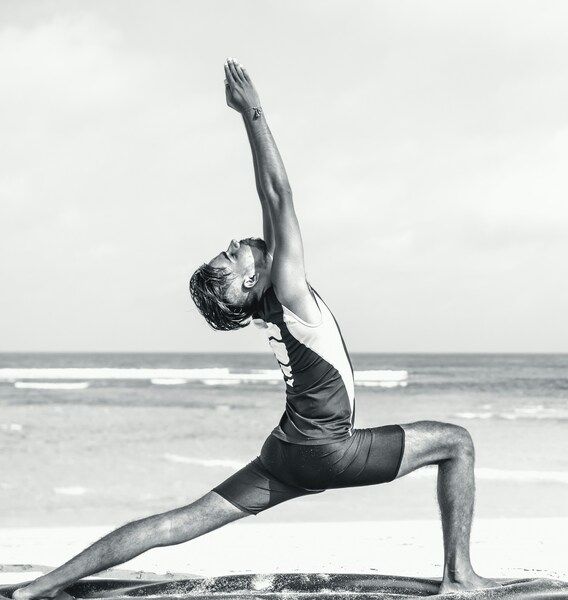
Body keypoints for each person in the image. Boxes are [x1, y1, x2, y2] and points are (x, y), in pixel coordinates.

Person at [13, 59, 494, 600]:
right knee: (457, 443)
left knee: (178, 522)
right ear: (247, 280)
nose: (238, 241)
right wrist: (253, 112)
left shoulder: (269, 301)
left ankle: (41, 587)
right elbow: (280, 196)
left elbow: (268, 201)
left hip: (284, 452)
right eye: (231, 252)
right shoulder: (287, 291)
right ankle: (460, 577)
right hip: (327, 451)